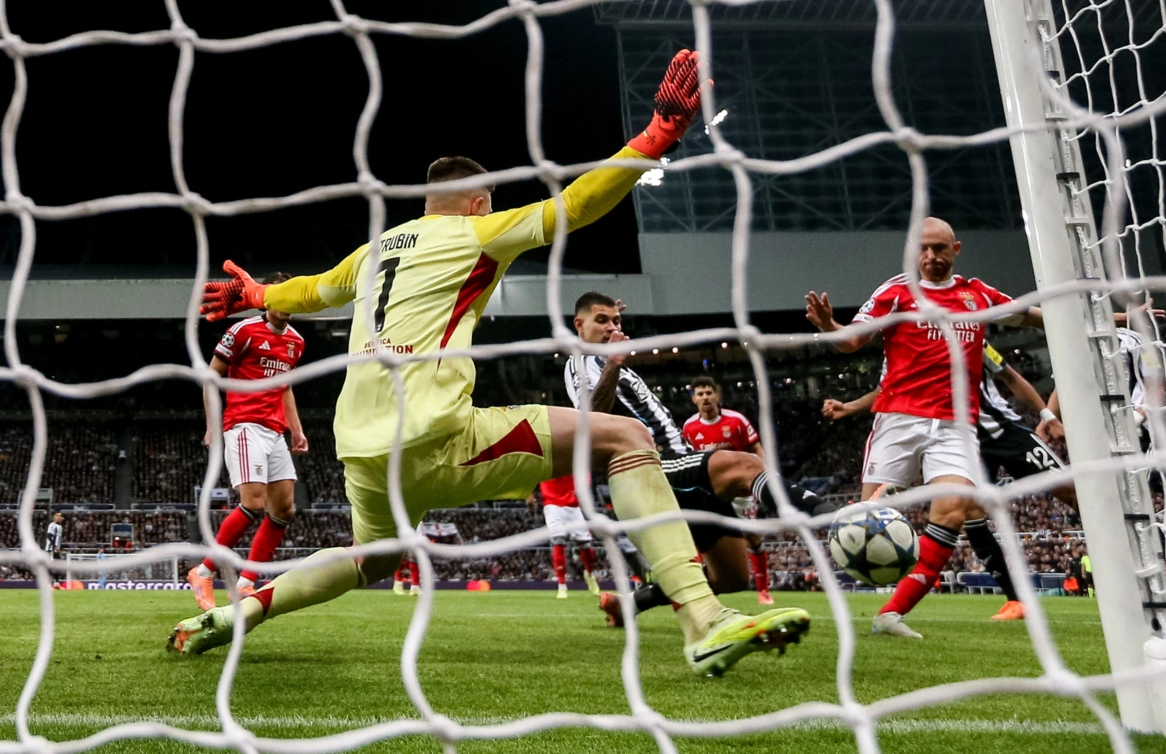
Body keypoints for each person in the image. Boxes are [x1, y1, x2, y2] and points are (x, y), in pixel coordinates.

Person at [169, 50, 811, 677]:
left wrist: (252, 294)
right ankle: (703, 620)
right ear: (477, 201)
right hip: (433, 433)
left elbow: (305, 293)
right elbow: (576, 206)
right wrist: (657, 136)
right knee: (626, 438)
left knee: (371, 559)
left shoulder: (371, 254)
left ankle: (237, 616)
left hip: (361, 446)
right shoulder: (477, 233)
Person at [806, 216, 1045, 638]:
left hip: (956, 424)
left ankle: (890, 615)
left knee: (952, 511)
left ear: (956, 249)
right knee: (864, 522)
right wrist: (828, 325)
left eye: (939, 248)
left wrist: (1114, 320)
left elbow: (1031, 317)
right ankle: (883, 543)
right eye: (924, 249)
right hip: (898, 419)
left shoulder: (977, 294)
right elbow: (852, 340)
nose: (931, 256)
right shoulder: (896, 292)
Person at [569, 294, 834, 626]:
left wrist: (611, 349)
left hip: (681, 463)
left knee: (733, 578)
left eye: (616, 321)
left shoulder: (607, 361)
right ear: (579, 325)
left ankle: (632, 603)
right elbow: (591, 419)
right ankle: (831, 516)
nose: (612, 327)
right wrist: (614, 361)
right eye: (602, 320)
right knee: (746, 465)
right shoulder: (579, 364)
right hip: (653, 467)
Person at [823, 340, 1068, 622]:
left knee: (1071, 492)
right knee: (969, 514)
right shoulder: (905, 345)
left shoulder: (971, 336)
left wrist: (1047, 415)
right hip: (957, 439)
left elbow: (1009, 375)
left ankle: (1118, 563)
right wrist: (850, 407)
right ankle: (1015, 600)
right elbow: (888, 389)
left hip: (1001, 430)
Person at [186, 273, 308, 609]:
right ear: (266, 299)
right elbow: (211, 377)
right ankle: (204, 571)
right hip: (243, 426)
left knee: (283, 509)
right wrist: (213, 426)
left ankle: (246, 583)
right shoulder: (242, 331)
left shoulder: (296, 341)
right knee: (253, 504)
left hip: (275, 431)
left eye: (292, 299)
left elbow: (286, 388)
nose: (287, 305)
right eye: (280, 298)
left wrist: (296, 430)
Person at [682, 376, 774, 605]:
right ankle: (707, 588)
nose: (705, 398)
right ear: (694, 399)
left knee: (751, 536)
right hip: (708, 492)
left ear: (717, 395)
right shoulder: (689, 428)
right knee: (703, 541)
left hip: (739, 492)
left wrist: (761, 476)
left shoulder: (736, 421)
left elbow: (755, 447)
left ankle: (763, 589)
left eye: (708, 393)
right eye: (700, 394)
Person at [529, 473, 599, 598]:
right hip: (552, 503)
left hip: (573, 504)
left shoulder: (572, 454)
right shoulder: (545, 455)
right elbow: (533, 470)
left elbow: (585, 469)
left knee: (585, 545)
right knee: (558, 541)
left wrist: (584, 486)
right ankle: (562, 586)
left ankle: (589, 574)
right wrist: (528, 493)